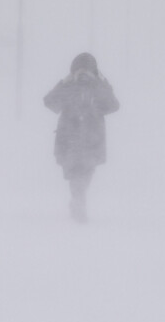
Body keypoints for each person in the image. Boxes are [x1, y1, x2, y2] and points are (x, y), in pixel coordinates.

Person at [44, 53, 120, 222]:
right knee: (76, 173)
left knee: (84, 173)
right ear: (73, 71)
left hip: (91, 140)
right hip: (70, 140)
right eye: (80, 70)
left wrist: (102, 83)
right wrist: (64, 83)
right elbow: (49, 102)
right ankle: (79, 203)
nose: (83, 74)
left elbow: (114, 105)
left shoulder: (97, 88)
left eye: (87, 70)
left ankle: (78, 202)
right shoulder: (69, 87)